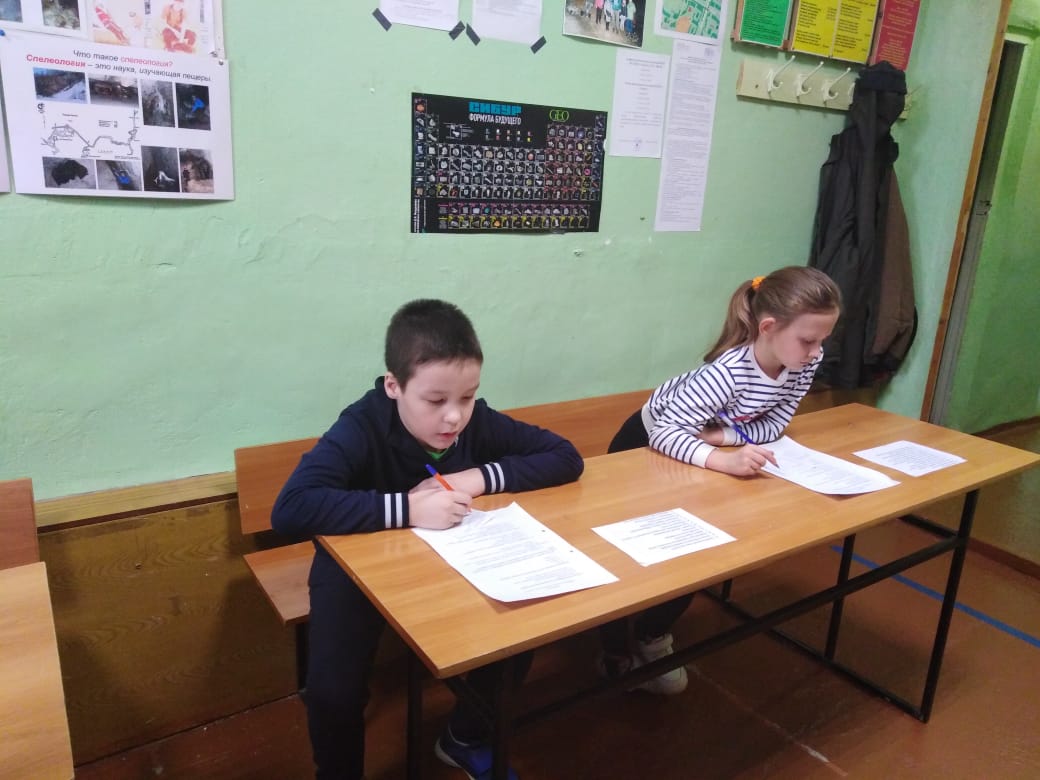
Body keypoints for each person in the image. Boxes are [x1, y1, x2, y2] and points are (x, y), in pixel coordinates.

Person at [272, 299, 585, 780]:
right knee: (333, 690)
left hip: (453, 559)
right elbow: (292, 508)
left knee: (521, 626)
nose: (454, 417)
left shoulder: (476, 421)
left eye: (468, 397)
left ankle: (464, 737)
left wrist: (474, 478)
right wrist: (407, 508)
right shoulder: (362, 425)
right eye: (436, 401)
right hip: (356, 567)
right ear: (393, 386)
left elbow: (565, 456)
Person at [598, 266, 841, 694]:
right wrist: (722, 460)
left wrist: (722, 439)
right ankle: (614, 651)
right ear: (768, 327)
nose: (816, 352)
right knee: (628, 551)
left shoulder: (805, 361)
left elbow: (776, 424)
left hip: (701, 448)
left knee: (696, 550)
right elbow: (665, 433)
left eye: (822, 340)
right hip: (643, 446)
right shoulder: (725, 374)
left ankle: (652, 635)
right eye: (808, 340)